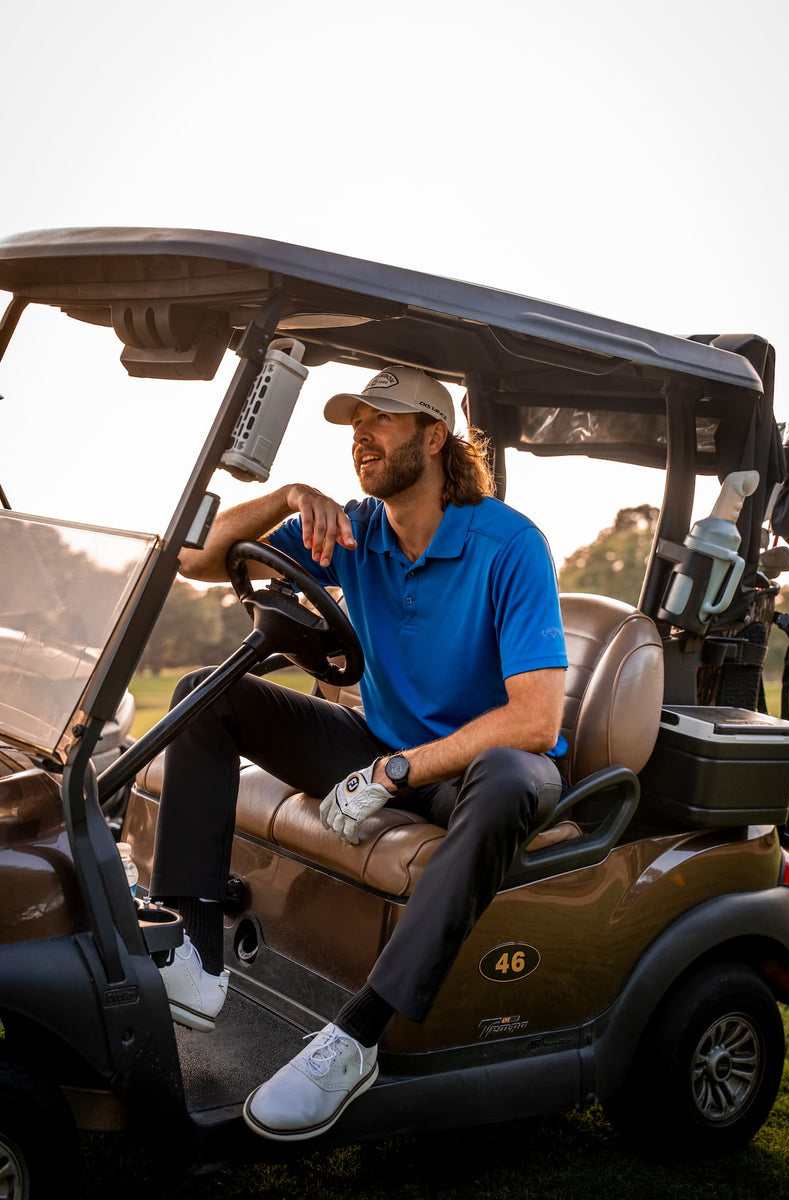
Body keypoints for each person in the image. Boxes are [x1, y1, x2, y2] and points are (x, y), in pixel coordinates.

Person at [150, 364, 568, 1142]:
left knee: (515, 778)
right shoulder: (355, 529)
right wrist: (282, 498)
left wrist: (396, 771)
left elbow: (537, 721)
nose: (360, 436)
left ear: (434, 438)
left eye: (381, 420)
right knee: (206, 694)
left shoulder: (509, 545)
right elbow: (197, 561)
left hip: (467, 770)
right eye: (353, 424)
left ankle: (357, 1038)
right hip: (375, 745)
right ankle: (200, 958)